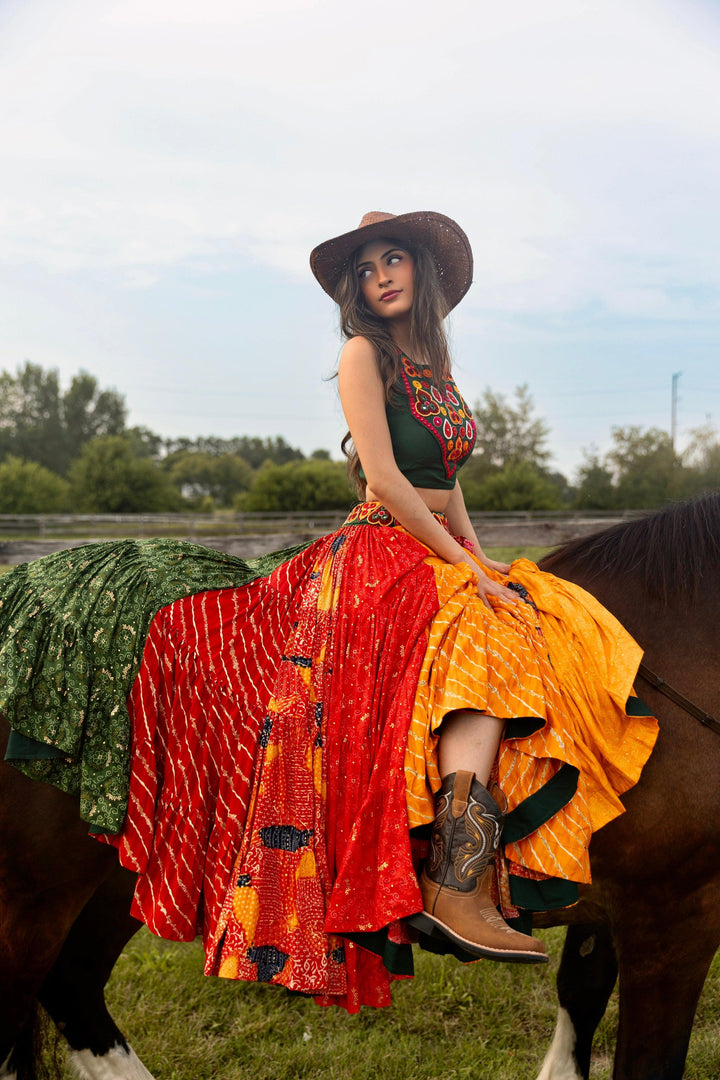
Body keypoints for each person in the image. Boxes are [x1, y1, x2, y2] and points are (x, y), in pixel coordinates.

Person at [0, 210, 658, 1014]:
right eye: (367, 267)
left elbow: (448, 485)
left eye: (395, 259)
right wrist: (459, 565)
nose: (381, 275)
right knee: (486, 645)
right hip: (377, 548)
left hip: (430, 542)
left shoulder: (433, 369)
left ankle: (533, 856)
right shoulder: (363, 354)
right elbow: (383, 480)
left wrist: (479, 557)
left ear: (422, 271)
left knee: (534, 613)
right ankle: (455, 884)